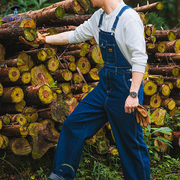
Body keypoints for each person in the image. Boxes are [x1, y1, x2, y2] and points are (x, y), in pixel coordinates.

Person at [36, 0, 151, 179]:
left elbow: (139, 58)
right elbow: (74, 35)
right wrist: (44, 39)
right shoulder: (99, 17)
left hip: (126, 87)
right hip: (106, 86)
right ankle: (60, 176)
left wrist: (133, 94)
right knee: (74, 125)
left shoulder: (129, 18)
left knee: (131, 145)